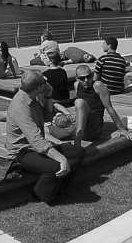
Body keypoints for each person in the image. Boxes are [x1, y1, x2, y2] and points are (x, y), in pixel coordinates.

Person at [5, 70, 85, 204]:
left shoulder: (32, 97)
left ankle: (60, 188)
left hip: (34, 147)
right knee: (56, 165)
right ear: (38, 87)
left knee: (78, 152)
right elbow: (37, 142)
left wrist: (48, 96)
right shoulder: (21, 107)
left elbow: (46, 117)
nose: (47, 84)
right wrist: (62, 159)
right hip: (22, 152)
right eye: (44, 82)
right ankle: (42, 195)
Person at [50, 64, 132, 147]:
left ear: (92, 75)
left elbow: (109, 108)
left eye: (88, 77)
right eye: (82, 78)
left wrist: (121, 129)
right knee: (53, 126)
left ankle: (77, 141)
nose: (86, 80)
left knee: (79, 102)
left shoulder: (98, 86)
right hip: (82, 125)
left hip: (94, 128)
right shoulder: (76, 85)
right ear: (77, 78)